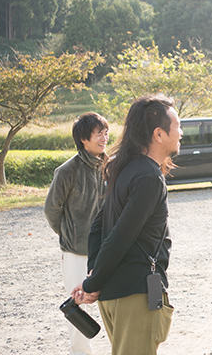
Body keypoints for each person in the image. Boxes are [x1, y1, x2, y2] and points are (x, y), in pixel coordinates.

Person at [71, 95, 181, 355]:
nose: (181, 132)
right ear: (159, 134)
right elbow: (120, 236)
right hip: (135, 295)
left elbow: (98, 227)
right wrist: (91, 282)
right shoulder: (149, 177)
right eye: (177, 126)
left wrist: (94, 278)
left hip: (114, 294)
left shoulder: (125, 167)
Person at [44, 112, 109, 355]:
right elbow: (52, 209)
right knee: (77, 310)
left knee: (111, 305)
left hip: (107, 250)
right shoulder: (67, 170)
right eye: (99, 133)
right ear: (83, 138)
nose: (105, 137)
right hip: (76, 253)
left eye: (106, 132)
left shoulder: (110, 166)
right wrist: (67, 235)